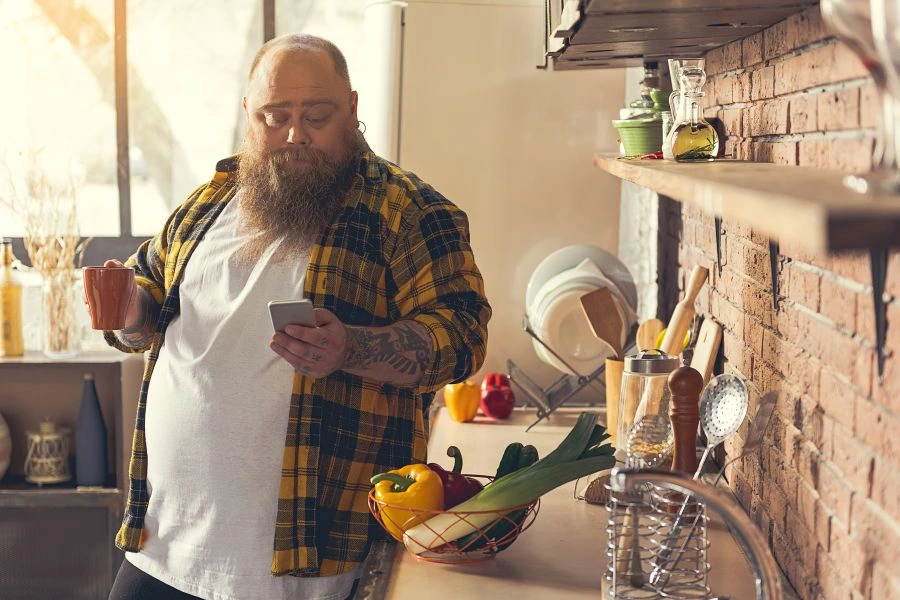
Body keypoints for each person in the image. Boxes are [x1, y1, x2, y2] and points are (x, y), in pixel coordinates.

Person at [105, 33, 491, 600]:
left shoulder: (410, 213)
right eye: (274, 116)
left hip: (309, 564)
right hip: (162, 546)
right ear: (248, 115)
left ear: (353, 110)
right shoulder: (208, 202)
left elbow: (464, 334)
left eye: (317, 115)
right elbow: (147, 304)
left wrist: (352, 349)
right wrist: (126, 308)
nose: (294, 135)